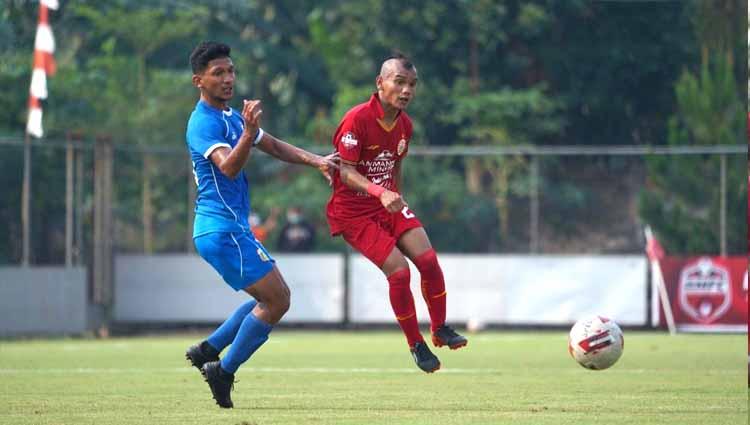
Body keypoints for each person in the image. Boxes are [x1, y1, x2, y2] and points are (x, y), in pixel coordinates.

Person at [183, 41, 337, 408]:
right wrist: (249, 134)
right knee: (277, 300)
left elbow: (274, 146)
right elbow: (229, 166)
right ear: (198, 81)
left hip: (229, 229)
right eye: (217, 73)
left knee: (270, 297)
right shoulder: (202, 123)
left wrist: (316, 161)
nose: (227, 78)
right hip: (221, 230)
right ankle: (222, 369)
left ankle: (208, 349)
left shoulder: (231, 117)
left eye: (231, 70)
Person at [325, 53, 467, 373]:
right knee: (400, 272)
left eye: (412, 85)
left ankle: (440, 328)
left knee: (429, 261)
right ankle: (416, 344)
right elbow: (346, 172)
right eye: (399, 82)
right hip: (354, 213)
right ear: (380, 83)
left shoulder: (405, 125)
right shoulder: (357, 119)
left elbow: (395, 164)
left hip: (388, 204)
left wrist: (396, 198)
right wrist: (380, 191)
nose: (406, 91)